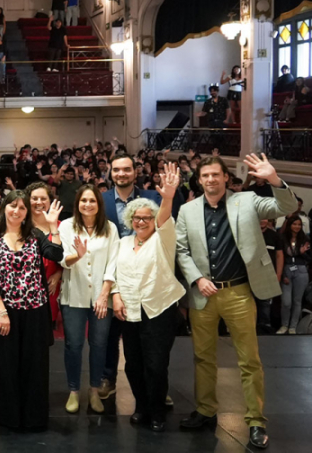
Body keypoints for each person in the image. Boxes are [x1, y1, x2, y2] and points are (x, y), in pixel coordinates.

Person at [176, 154, 297, 450]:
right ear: (199, 179)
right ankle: (205, 410)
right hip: (202, 294)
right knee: (203, 358)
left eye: (216, 175)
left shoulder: (249, 200)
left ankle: (256, 421)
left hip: (239, 293)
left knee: (249, 360)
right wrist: (195, 278)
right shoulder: (187, 210)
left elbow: (288, 206)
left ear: (226, 178)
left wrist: (273, 179)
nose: (210, 180)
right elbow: (181, 249)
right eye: (205, 176)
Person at [112, 162, 184, 432]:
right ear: (130, 220)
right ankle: (140, 405)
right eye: (136, 218)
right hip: (129, 312)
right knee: (133, 365)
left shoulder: (163, 238)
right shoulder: (122, 243)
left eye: (146, 218)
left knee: (156, 365)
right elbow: (114, 274)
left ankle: (156, 410)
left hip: (159, 311)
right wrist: (116, 296)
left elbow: (165, 216)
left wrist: (168, 196)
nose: (141, 221)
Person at [0, 190, 64, 431]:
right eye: (12, 206)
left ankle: (34, 416)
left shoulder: (35, 235)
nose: (16, 211)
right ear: (4, 208)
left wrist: (54, 228)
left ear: (26, 213)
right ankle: (7, 416)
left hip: (35, 312)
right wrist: (1, 312)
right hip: (5, 313)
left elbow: (56, 254)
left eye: (21, 208)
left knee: (34, 365)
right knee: (5, 365)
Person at [58, 185, 119, 415]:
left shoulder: (110, 228)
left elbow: (113, 262)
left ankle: (94, 390)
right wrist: (78, 255)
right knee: (73, 345)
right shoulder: (66, 226)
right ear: (77, 203)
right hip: (73, 294)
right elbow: (63, 260)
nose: (87, 204)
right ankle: (74, 391)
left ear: (98, 203)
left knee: (99, 344)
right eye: (83, 200)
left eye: (92, 200)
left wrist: (105, 294)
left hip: (101, 297)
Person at [276, 216, 311, 335]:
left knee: (297, 301)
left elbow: (310, 257)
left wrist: (303, 253)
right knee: (286, 302)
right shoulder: (282, 238)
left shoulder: (305, 238)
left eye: (299, 224)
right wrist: (282, 274)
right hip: (286, 269)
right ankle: (284, 325)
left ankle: (293, 326)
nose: (297, 227)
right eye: (294, 224)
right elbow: (281, 257)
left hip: (301, 270)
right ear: (290, 225)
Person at [256, 219, 282, 334]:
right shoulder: (249, 234)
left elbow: (279, 256)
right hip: (251, 275)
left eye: (265, 218)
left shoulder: (275, 236)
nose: (262, 221)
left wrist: (278, 275)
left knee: (266, 303)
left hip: (268, 275)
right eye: (260, 218)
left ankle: (265, 327)